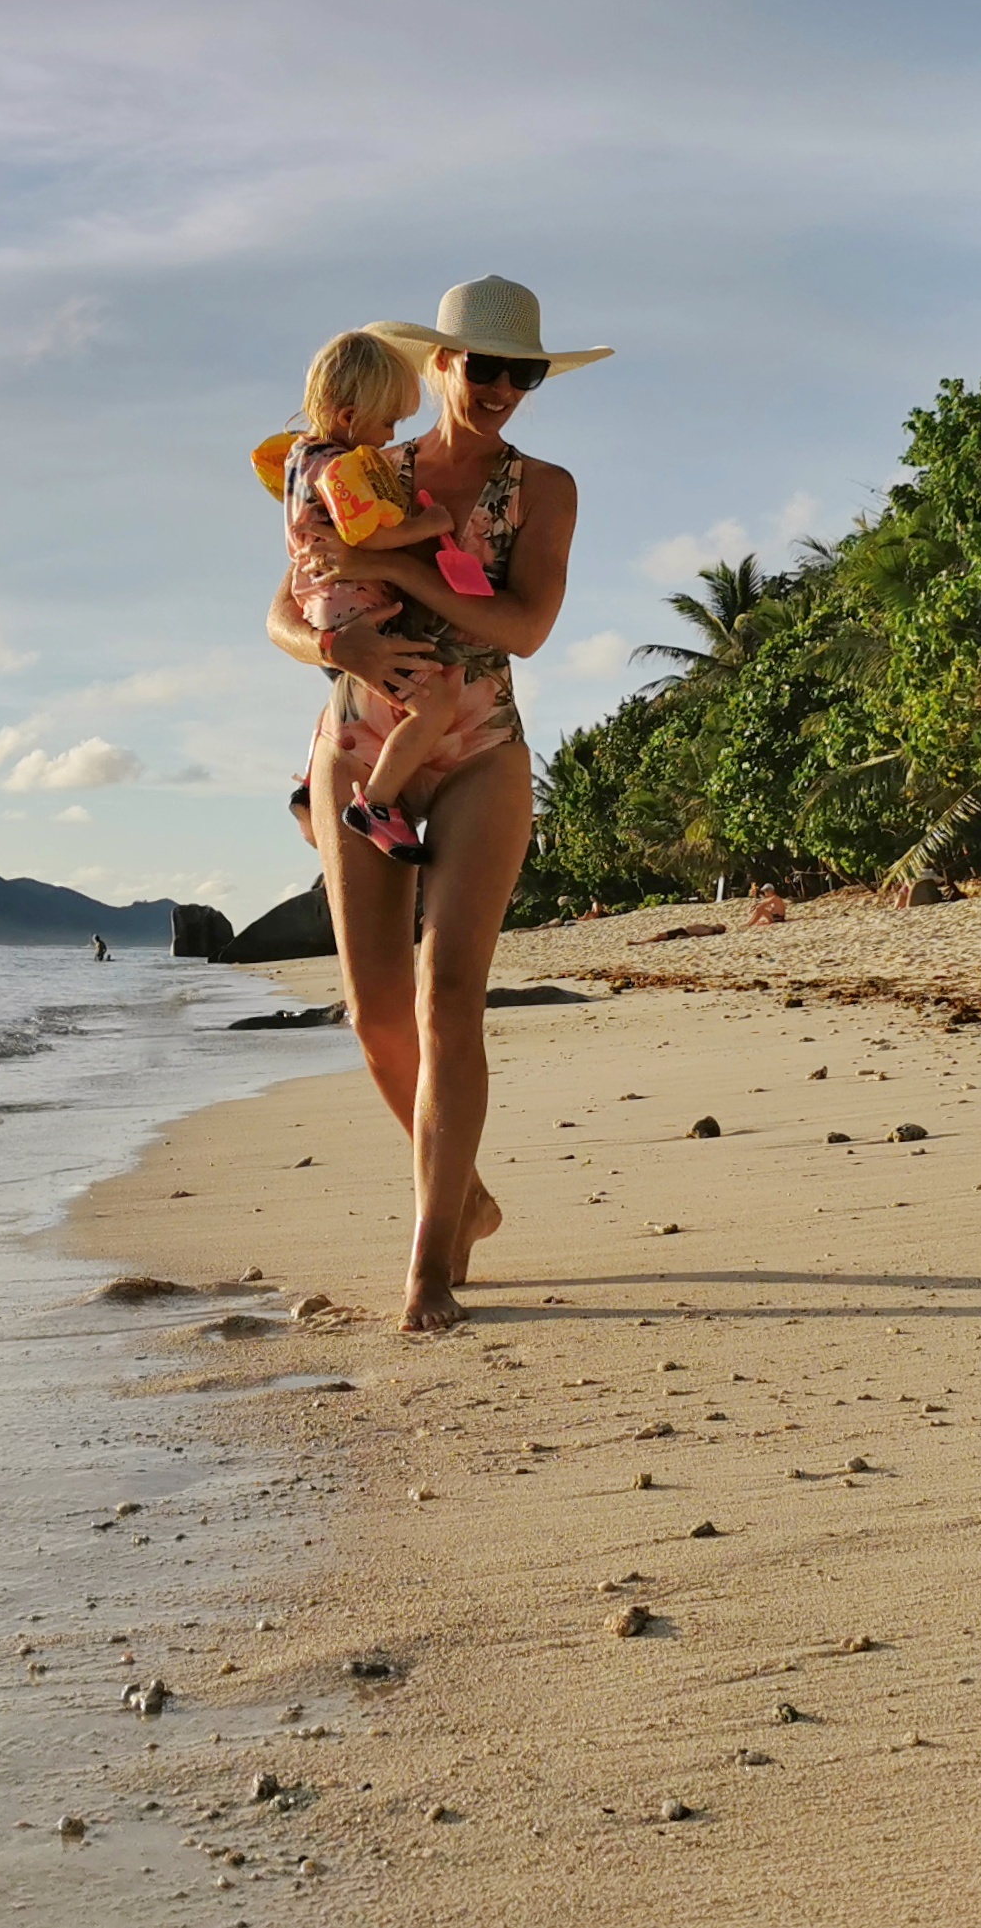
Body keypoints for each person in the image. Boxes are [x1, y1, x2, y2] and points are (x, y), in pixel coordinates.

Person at [259, 277, 602, 1330]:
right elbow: (281, 601)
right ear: (437, 366)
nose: (501, 386)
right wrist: (332, 637)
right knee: (371, 1015)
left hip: (480, 742)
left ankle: (430, 1262)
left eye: (522, 371)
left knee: (449, 993)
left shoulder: (543, 486)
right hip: (357, 738)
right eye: (482, 365)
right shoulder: (360, 466)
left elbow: (525, 626)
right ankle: (466, 1191)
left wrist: (386, 567)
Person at [255, 330, 485, 863]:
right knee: (433, 700)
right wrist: (427, 523)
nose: (389, 437)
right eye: (387, 423)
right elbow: (367, 535)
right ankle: (377, 803)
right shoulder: (338, 466)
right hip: (351, 603)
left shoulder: (297, 457)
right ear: (348, 416)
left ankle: (314, 776)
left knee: (354, 691)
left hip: (323, 603)